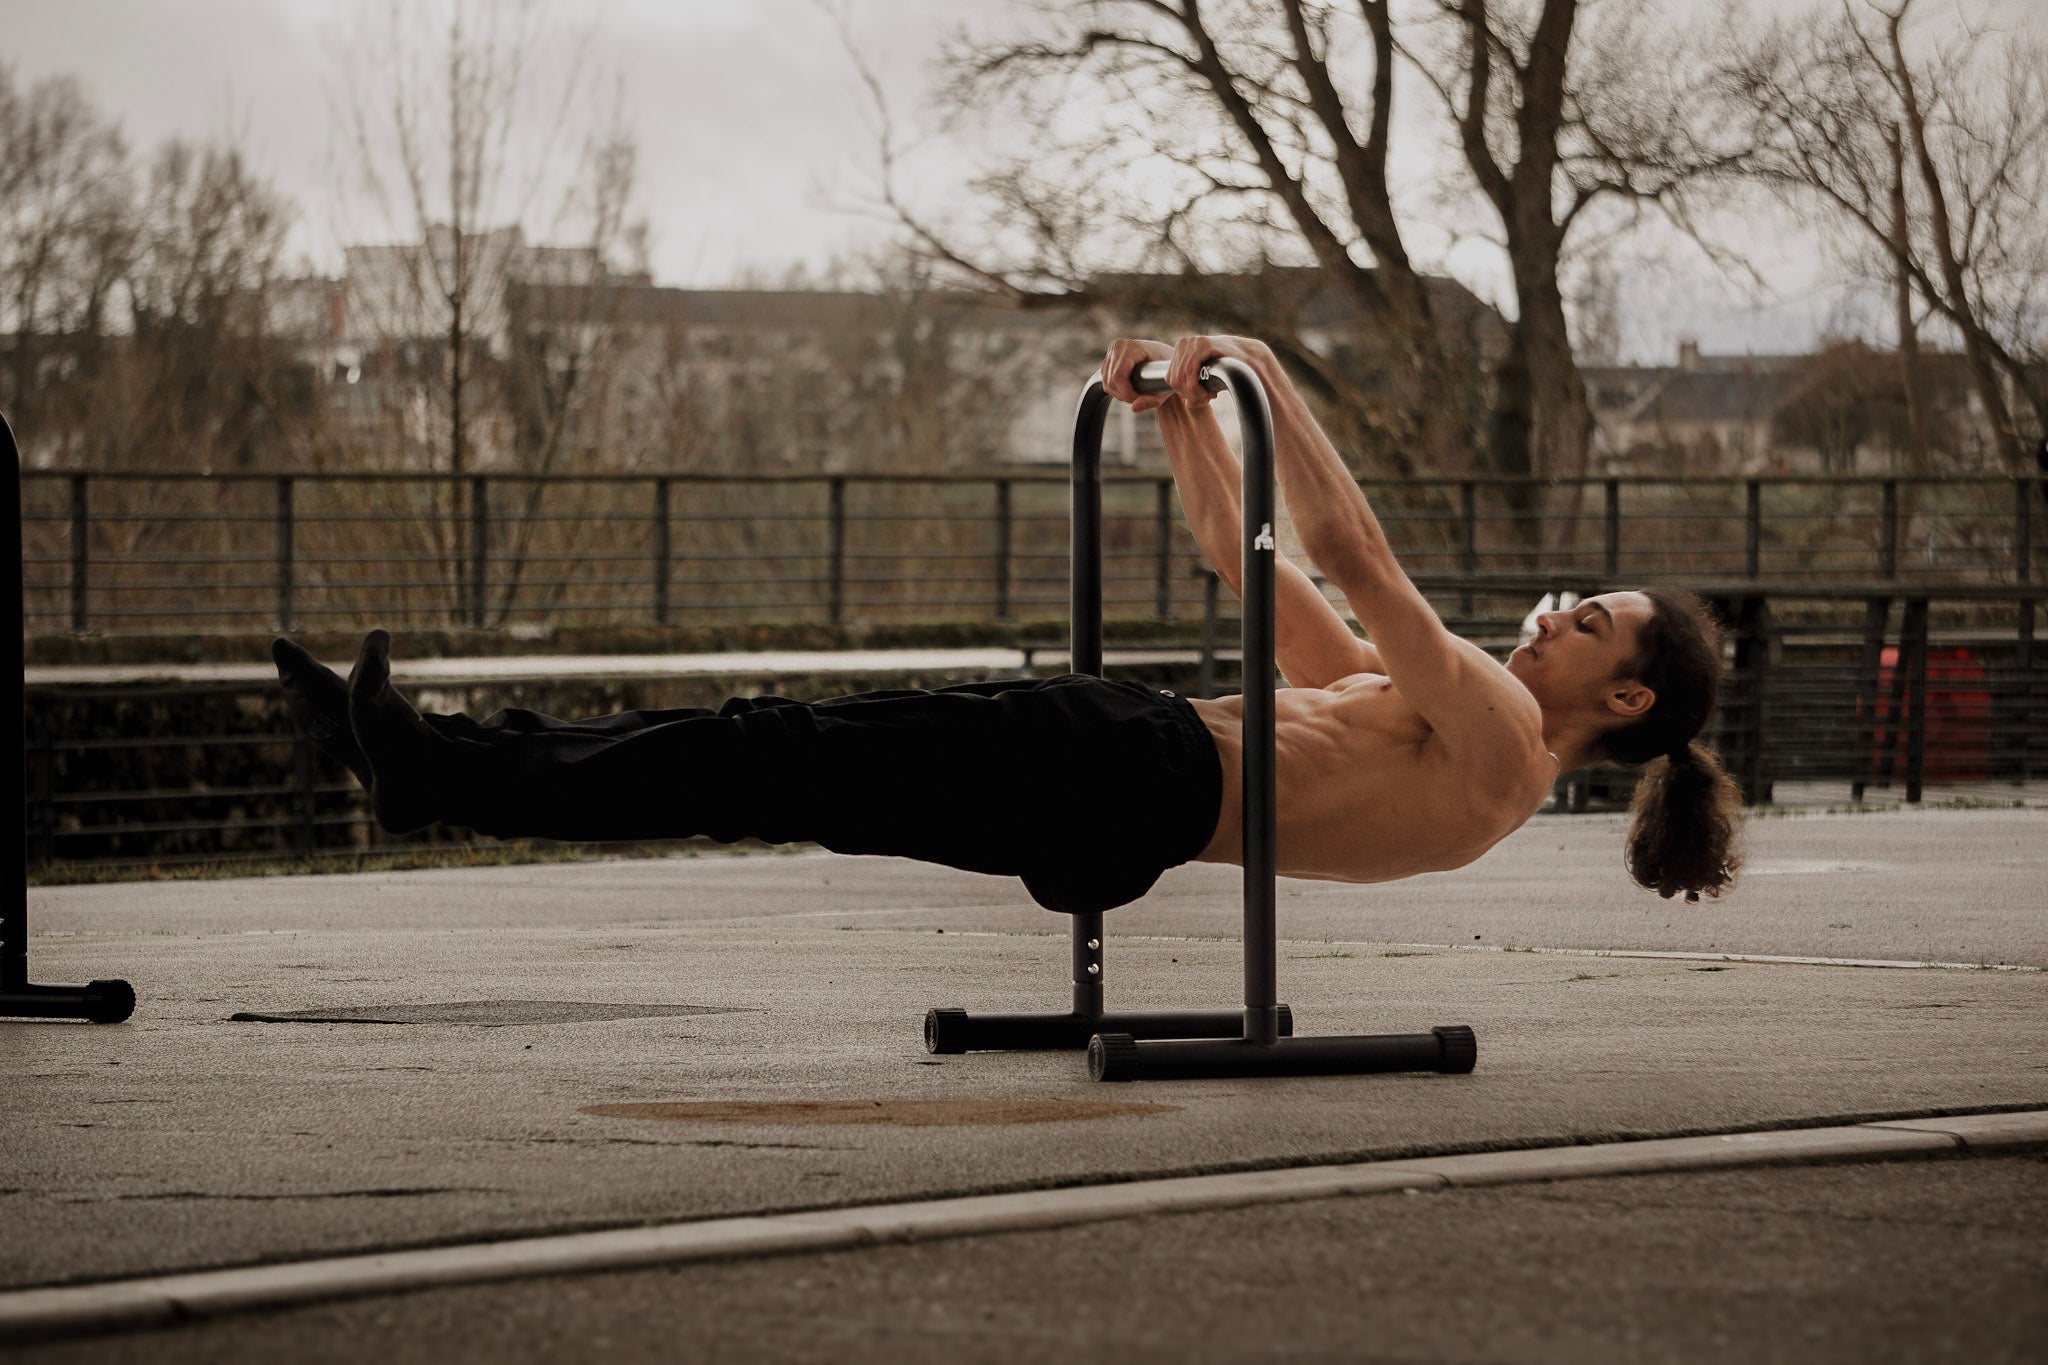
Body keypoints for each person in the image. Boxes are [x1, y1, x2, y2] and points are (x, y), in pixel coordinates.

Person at [275, 335, 1741, 911]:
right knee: (770, 764)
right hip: (1130, 807)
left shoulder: (1494, 738)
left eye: (1591, 618)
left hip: (1132, 766)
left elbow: (1355, 548)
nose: (1558, 611)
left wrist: (1261, 367)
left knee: (768, 749)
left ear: (1624, 697)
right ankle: (438, 763)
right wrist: (1177, 415)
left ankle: (438, 768)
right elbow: (1250, 561)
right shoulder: (1440, 729)